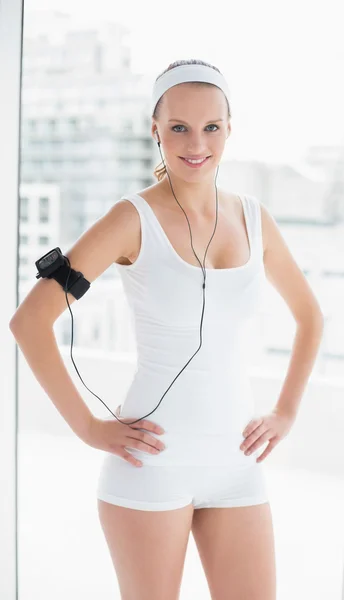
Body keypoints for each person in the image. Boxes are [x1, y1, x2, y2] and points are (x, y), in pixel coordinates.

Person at [9, 58, 324, 600]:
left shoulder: (255, 218)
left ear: (229, 129)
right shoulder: (131, 219)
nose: (195, 142)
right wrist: (88, 428)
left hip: (236, 466)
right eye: (178, 126)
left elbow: (310, 316)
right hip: (151, 468)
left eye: (211, 127)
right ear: (154, 129)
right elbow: (30, 320)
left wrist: (287, 411)